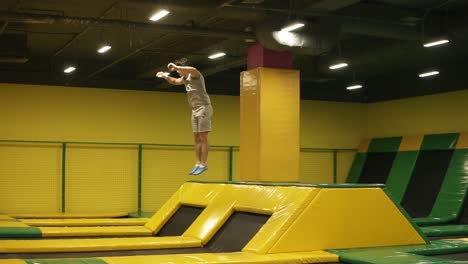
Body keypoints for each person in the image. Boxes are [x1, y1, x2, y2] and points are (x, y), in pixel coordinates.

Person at [156, 60, 212, 176]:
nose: (179, 74)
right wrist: (165, 76)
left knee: (203, 137)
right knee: (196, 137)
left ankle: (203, 163)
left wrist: (175, 66)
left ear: (183, 69)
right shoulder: (184, 79)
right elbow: (175, 81)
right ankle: (197, 163)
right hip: (194, 110)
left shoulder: (195, 76)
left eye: (179, 71)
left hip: (204, 108)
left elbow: (193, 69)